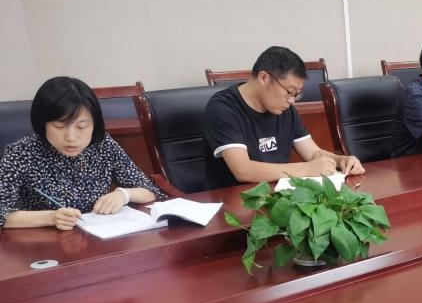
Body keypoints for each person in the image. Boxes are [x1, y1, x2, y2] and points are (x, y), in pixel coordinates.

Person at [0, 76, 166, 230]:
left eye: (82, 126)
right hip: (45, 241)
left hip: (100, 235)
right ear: (43, 124)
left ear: (94, 124)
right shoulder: (21, 153)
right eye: (59, 126)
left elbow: (150, 190)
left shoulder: (103, 145)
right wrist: (50, 217)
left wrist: (124, 195)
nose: (71, 137)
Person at [203, 46, 364, 189]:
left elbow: (313, 153)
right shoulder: (223, 108)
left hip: (278, 197)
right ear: (264, 78)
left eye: (296, 94)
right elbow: (243, 170)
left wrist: (341, 160)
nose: (292, 100)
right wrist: (307, 168)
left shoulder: (284, 109)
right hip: (235, 200)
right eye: (290, 92)